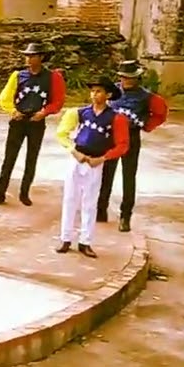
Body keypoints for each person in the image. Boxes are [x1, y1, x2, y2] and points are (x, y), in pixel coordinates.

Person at [54, 77, 130, 258]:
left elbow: (123, 144)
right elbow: (62, 133)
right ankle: (65, 238)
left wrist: (103, 158)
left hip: (95, 162)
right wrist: (73, 151)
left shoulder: (116, 118)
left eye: (99, 91)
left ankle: (85, 241)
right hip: (78, 158)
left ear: (108, 95)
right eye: (93, 91)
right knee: (70, 199)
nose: (94, 95)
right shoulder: (80, 113)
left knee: (89, 203)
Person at [0, 42, 67, 206]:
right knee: (9, 158)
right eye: (27, 56)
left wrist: (44, 112)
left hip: (36, 120)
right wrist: (13, 111)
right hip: (18, 120)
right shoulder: (18, 75)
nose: (28, 59)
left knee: (31, 158)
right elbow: (6, 97)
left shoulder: (53, 77)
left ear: (41, 57)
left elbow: (58, 101)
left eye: (32, 56)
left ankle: (24, 192)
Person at [95, 59, 169, 232]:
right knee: (105, 175)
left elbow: (160, 114)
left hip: (131, 138)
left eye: (129, 77)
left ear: (137, 78)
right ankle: (100, 210)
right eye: (123, 77)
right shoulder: (111, 91)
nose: (125, 80)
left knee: (129, 177)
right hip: (110, 138)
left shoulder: (146, 96)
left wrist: (146, 124)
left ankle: (125, 216)